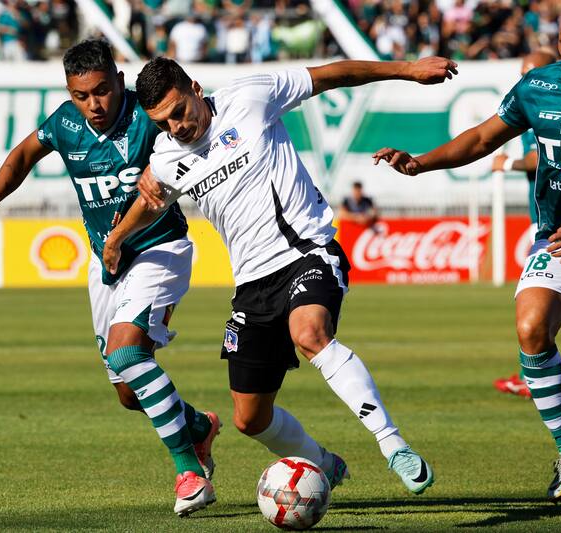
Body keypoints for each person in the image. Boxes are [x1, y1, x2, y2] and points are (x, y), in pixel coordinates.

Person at [104, 55, 458, 496]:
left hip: (306, 252)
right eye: (163, 122)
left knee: (309, 333)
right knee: (249, 419)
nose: (176, 127)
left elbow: (332, 75)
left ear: (195, 88)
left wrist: (407, 69)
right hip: (252, 284)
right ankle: (325, 464)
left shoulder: (251, 96)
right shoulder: (167, 156)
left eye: (179, 111)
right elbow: (151, 198)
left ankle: (393, 445)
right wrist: (117, 237)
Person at [0, 40, 220, 517]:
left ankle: (189, 473)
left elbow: (198, 139)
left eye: (102, 90)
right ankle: (197, 426)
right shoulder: (65, 124)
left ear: (119, 80)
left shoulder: (148, 117)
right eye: (81, 95)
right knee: (128, 392)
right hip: (106, 263)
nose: (93, 104)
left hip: (159, 249)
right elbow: (22, 156)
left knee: (127, 353)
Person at [373, 6, 561, 501]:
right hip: (559, 239)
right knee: (531, 326)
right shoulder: (539, 86)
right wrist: (420, 164)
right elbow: (483, 137)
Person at [491, 50, 556, 399]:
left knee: (538, 305)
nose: (523, 79)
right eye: (521, 73)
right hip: (546, 222)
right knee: (539, 309)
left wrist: (507, 163)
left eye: (529, 73)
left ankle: (530, 376)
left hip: (552, 226)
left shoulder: (546, 108)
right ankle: (530, 375)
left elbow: (536, 157)